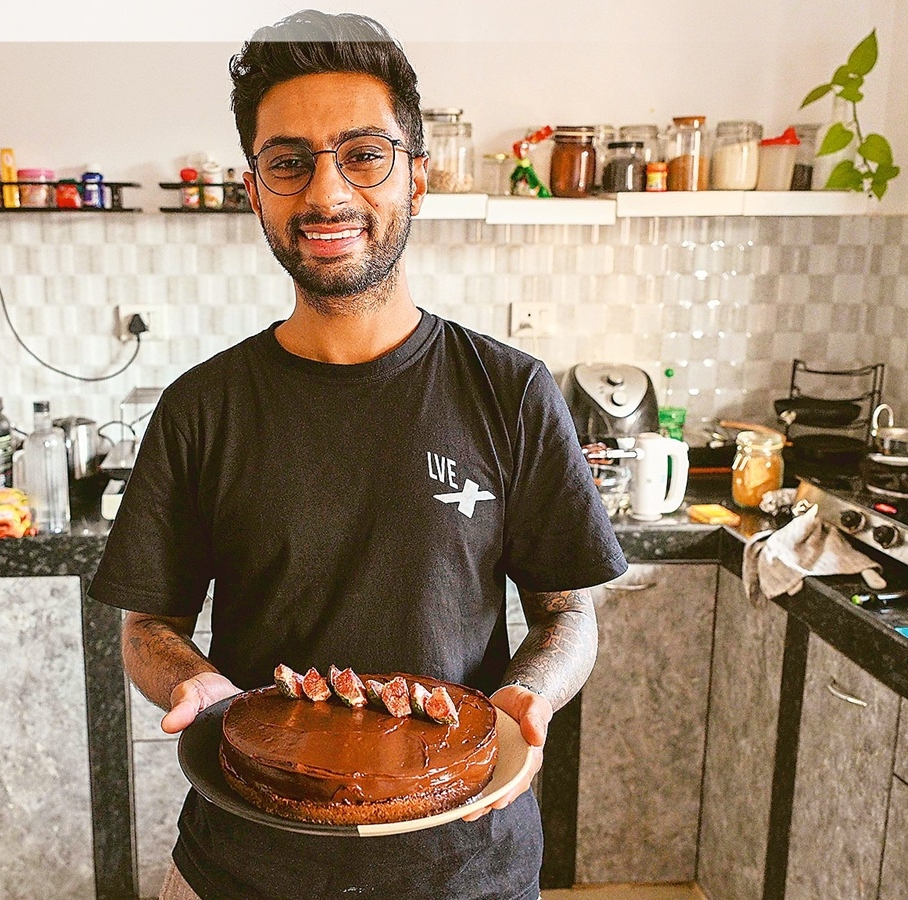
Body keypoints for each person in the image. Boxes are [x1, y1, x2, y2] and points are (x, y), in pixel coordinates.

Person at [89, 10, 626, 899]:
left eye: (364, 155)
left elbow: (568, 614)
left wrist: (527, 695)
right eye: (288, 162)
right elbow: (147, 628)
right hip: (244, 868)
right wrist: (203, 688)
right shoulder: (202, 408)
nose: (326, 193)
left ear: (418, 176)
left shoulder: (511, 392)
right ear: (255, 190)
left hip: (466, 863)